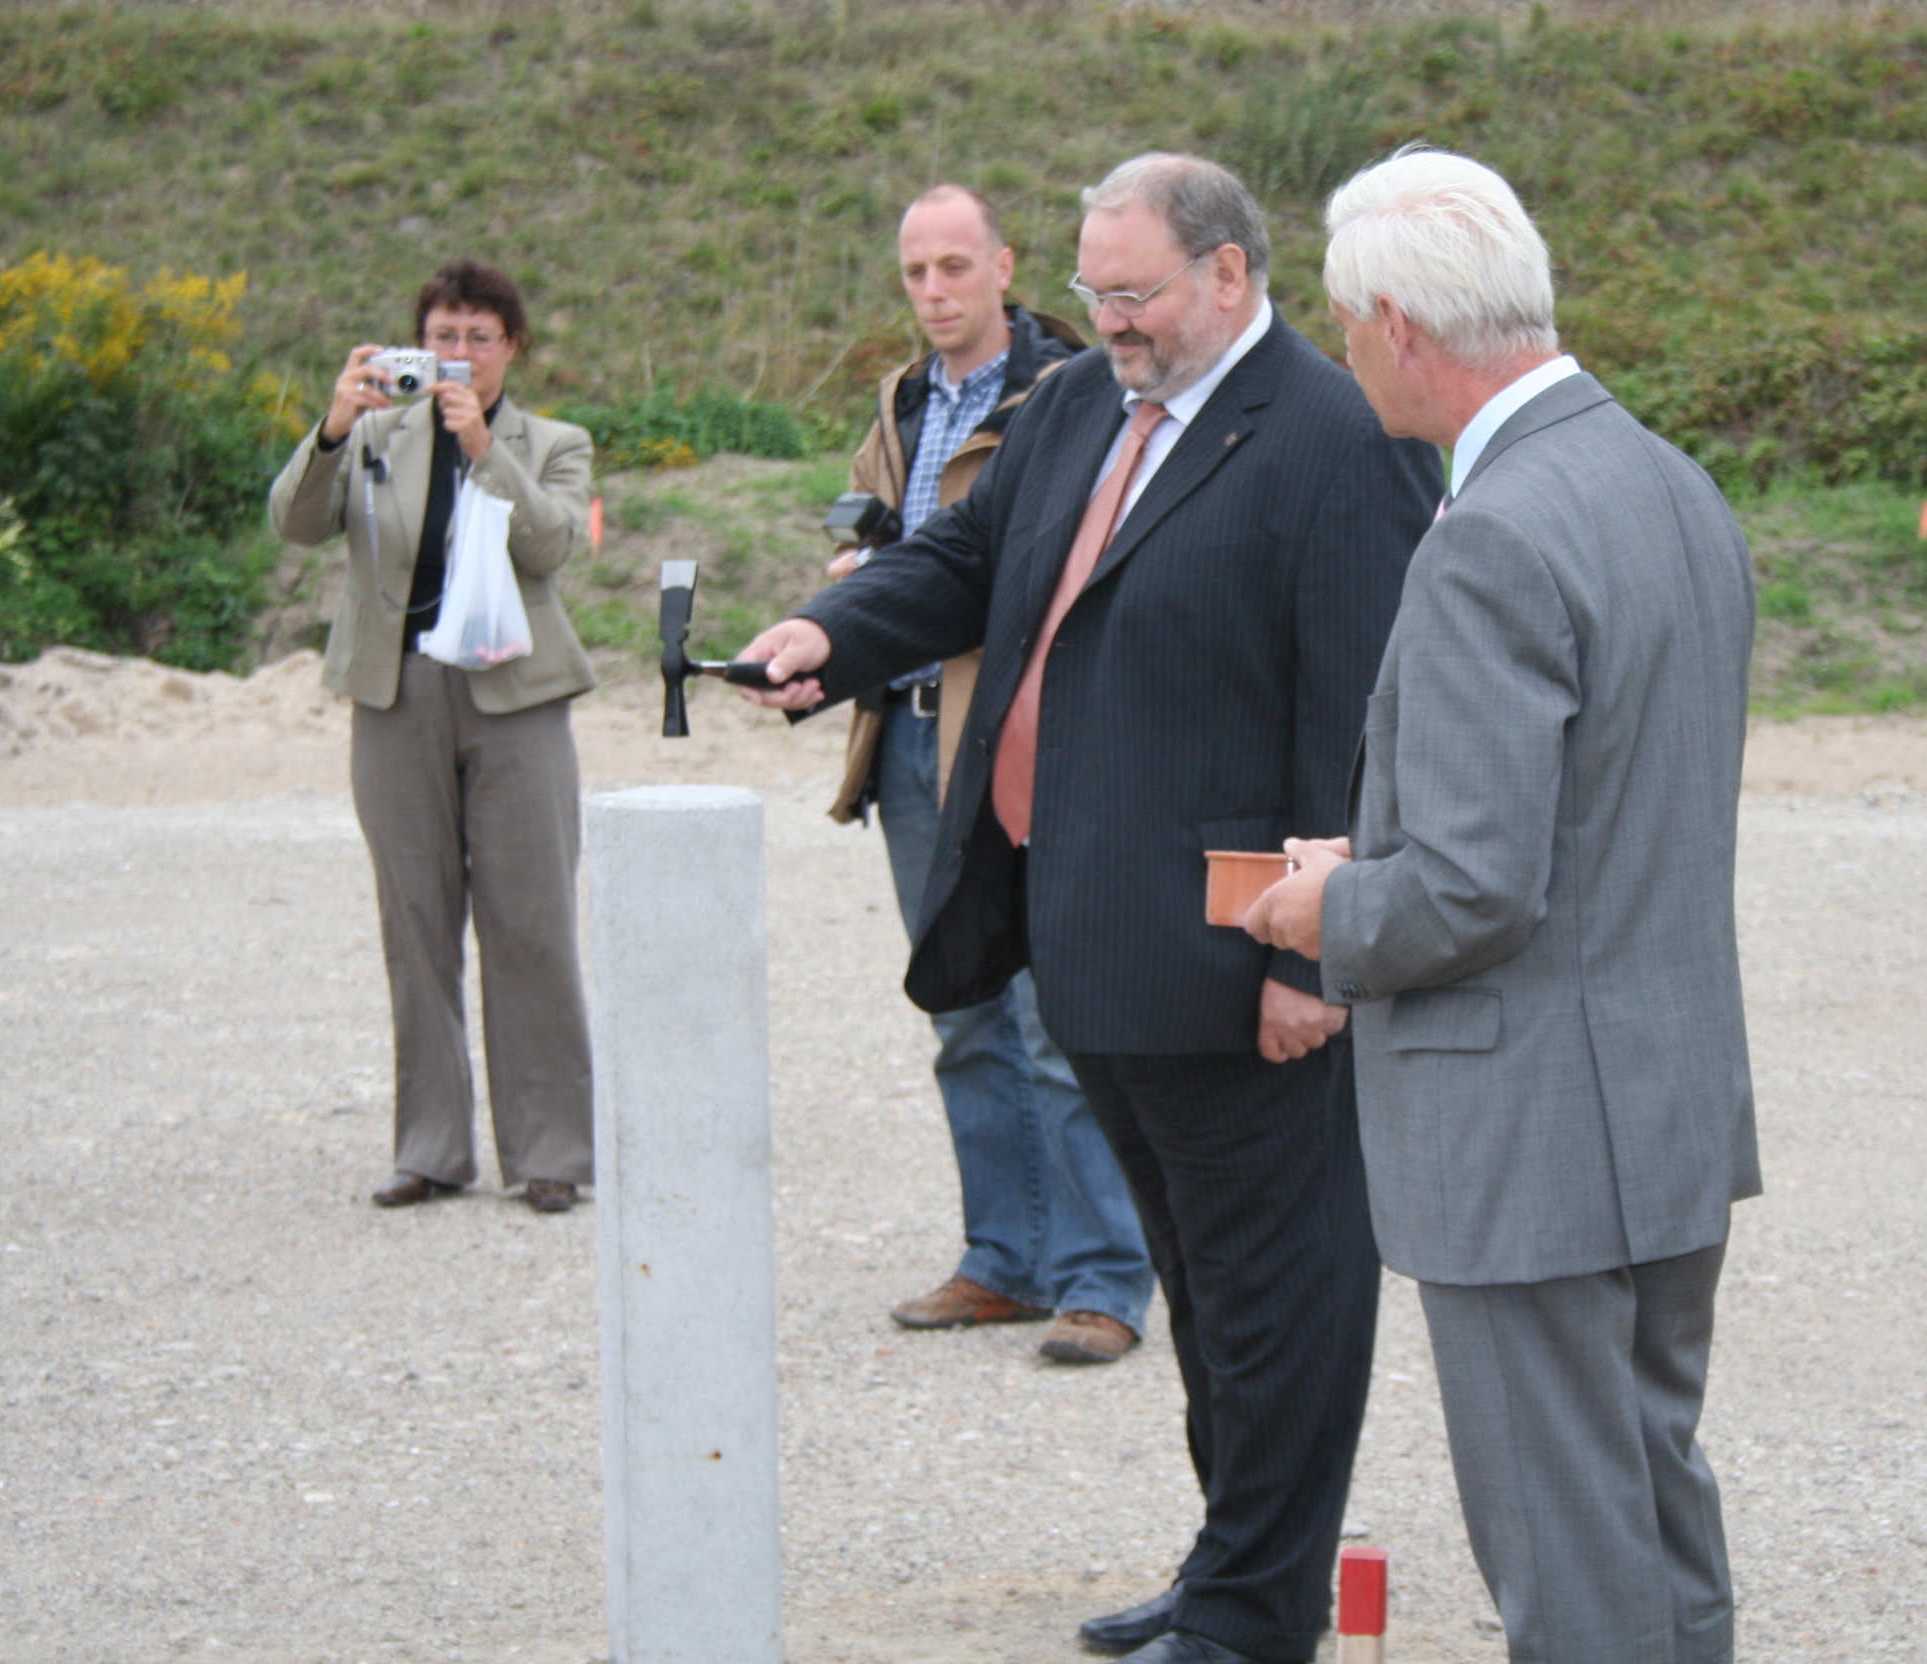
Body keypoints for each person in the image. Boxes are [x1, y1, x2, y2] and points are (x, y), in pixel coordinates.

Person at [736, 154, 1436, 1664]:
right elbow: (962, 561)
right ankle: (1232, 1569)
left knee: (1277, 1302)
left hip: (1245, 961)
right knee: (1203, 1289)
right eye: (1096, 291)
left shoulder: (1335, 437)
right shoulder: (1073, 405)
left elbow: (1360, 721)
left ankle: (1255, 1619)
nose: (1110, 320)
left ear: (1231, 275)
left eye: (1137, 295)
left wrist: (1317, 957)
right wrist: (830, 633)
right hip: (1090, 940)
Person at [1243, 149, 1762, 1664]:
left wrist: (1327, 908)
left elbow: (1475, 888)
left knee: (1571, 1554)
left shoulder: (1492, 532)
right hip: (1660, 1096)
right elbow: (1605, 808)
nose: (1345, 354)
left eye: (1346, 323)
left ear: (1399, 326)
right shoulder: (1667, 480)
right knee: (1653, 1509)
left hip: (1532, 1132)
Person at [830, 183, 1154, 1365]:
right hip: (908, 731)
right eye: (916, 270)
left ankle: (1105, 1275)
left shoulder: (1075, 391)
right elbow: (891, 537)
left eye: (955, 266)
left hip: (1019, 728)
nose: (934, 290)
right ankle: (1005, 1257)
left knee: (1056, 1012)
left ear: (1007, 267)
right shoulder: (904, 397)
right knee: (961, 1005)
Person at [269, 258, 598, 1215]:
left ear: (512, 347)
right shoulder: (375, 432)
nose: (459, 355)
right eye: (442, 337)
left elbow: (551, 545)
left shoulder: (554, 442)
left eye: (478, 339)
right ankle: (431, 1147)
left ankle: (551, 1150)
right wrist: (333, 427)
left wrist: (484, 448)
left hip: (515, 696)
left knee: (532, 923)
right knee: (414, 923)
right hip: (396, 691)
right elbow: (294, 523)